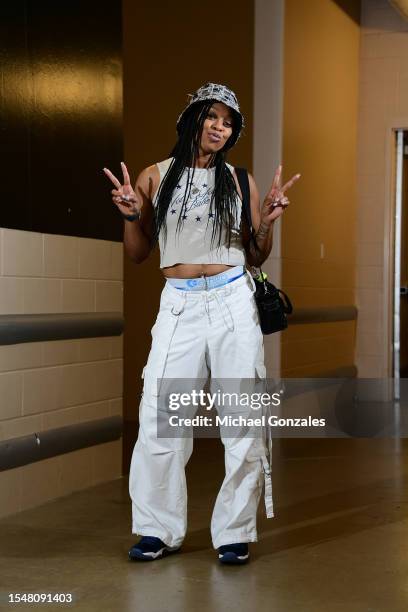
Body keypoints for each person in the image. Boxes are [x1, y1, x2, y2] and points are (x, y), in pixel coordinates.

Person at [103, 82, 300, 565]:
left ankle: (233, 532)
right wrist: (131, 216)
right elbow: (138, 254)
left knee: (242, 419)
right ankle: (157, 530)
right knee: (159, 420)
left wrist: (269, 221)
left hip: (234, 301)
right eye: (212, 116)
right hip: (179, 305)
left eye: (229, 122)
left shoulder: (239, 180)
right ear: (191, 117)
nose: (219, 127)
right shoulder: (155, 176)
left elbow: (255, 253)